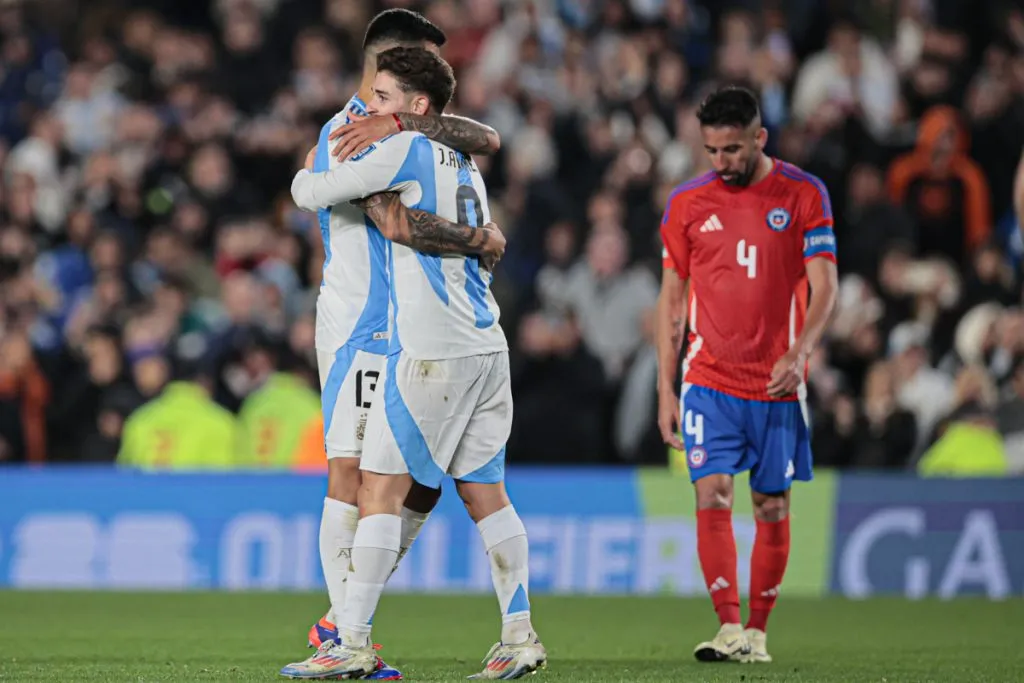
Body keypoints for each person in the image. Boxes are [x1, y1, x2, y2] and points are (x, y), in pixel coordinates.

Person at [282, 47, 545, 681]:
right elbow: (436, 205)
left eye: (382, 97)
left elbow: (313, 192)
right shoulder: (464, 161)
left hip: (431, 353)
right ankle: (519, 636)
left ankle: (350, 642)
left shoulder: (400, 149)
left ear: (416, 105)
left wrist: (305, 171)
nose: (370, 108)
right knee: (486, 494)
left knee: (378, 489)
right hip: (487, 345)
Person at [656, 86, 839, 664]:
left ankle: (757, 634)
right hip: (708, 379)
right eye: (711, 150)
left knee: (771, 506)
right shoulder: (687, 203)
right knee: (710, 491)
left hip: (775, 383)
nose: (721, 161)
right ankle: (729, 627)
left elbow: (826, 286)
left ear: (759, 138)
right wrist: (665, 388)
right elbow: (671, 302)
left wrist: (801, 352)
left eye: (733, 149)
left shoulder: (804, 193)